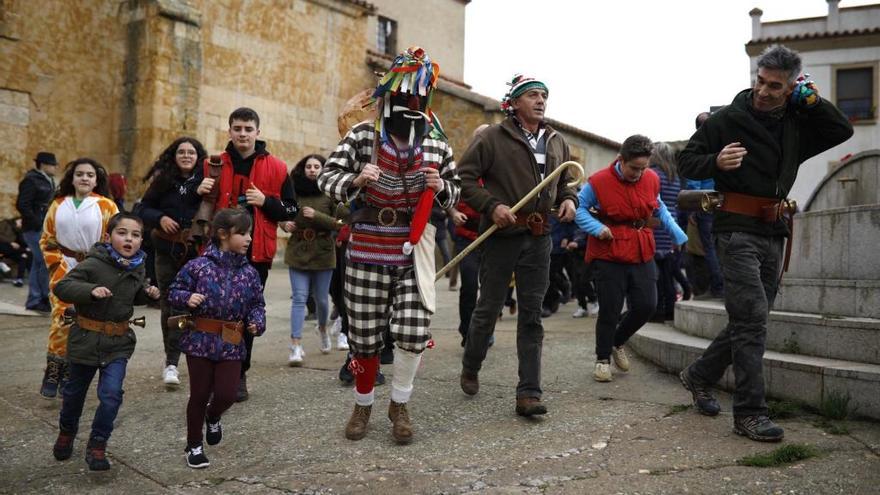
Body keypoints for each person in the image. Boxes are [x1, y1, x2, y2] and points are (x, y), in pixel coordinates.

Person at [677, 45, 853, 442]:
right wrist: (715, 162)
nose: (764, 91)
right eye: (760, 81)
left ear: (791, 88)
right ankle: (750, 413)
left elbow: (842, 130)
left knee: (749, 318)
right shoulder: (728, 119)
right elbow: (686, 160)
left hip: (773, 230)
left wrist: (814, 102)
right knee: (753, 317)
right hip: (734, 228)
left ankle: (700, 374)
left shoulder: (796, 121)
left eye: (775, 86)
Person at [318, 46, 460, 444]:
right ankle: (363, 404)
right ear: (389, 98)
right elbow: (326, 178)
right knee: (364, 334)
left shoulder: (437, 143)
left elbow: (456, 191)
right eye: (405, 98)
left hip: (415, 250)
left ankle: (400, 403)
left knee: (413, 331)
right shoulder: (362, 135)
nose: (413, 106)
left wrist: (443, 187)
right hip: (366, 248)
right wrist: (356, 179)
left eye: (420, 99)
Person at [457, 74, 578, 417]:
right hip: (501, 237)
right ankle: (471, 363)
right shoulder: (494, 138)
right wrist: (491, 205)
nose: (541, 100)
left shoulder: (557, 141)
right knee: (488, 309)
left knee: (531, 315)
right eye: (534, 95)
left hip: (540, 238)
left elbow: (566, 181)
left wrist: (569, 200)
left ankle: (529, 393)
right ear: (516, 102)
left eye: (544, 95)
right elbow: (464, 177)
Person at [194, 107, 298, 402]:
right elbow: (187, 198)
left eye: (248, 129)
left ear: (257, 132)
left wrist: (267, 202)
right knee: (213, 315)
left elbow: (292, 210)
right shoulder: (212, 164)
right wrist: (195, 189)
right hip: (216, 255)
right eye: (237, 128)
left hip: (256, 254)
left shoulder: (277, 167)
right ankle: (214, 372)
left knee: (244, 316)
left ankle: (238, 374)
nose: (242, 134)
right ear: (229, 131)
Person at [51, 213, 160, 471]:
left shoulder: (138, 266)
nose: (129, 239)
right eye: (122, 233)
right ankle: (67, 431)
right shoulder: (94, 263)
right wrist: (90, 291)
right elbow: (63, 287)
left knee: (111, 396)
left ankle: (97, 444)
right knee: (73, 395)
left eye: (135, 235)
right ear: (108, 237)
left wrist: (148, 293)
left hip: (117, 343)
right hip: (85, 340)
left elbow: (129, 299)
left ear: (141, 241)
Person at [575, 135, 688, 382]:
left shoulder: (652, 178)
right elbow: (579, 209)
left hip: (641, 247)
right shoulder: (598, 182)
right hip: (609, 251)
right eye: (634, 168)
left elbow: (659, 207)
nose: (638, 173)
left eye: (643, 168)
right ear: (621, 160)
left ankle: (617, 341)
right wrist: (596, 228)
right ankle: (602, 359)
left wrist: (677, 234)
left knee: (647, 305)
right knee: (610, 309)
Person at [168, 209, 266, 468]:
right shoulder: (197, 266)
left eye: (250, 234)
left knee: (227, 394)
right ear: (223, 234)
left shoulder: (250, 273)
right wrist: (186, 298)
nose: (248, 239)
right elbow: (174, 291)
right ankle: (194, 445)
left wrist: (257, 321)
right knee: (199, 394)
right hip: (200, 338)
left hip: (232, 341)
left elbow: (257, 304)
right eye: (243, 233)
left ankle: (213, 416)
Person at [39, 159, 119, 399]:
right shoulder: (57, 204)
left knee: (85, 320)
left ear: (97, 180)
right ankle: (54, 367)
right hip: (63, 266)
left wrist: (100, 266)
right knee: (62, 317)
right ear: (71, 178)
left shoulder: (106, 205)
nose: (85, 178)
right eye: (80, 174)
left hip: (94, 267)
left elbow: (113, 239)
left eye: (90, 175)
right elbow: (47, 239)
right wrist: (60, 267)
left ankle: (71, 372)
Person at [137, 137, 207, 388]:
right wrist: (160, 217)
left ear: (199, 157)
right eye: (182, 152)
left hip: (196, 253)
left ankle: (194, 357)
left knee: (194, 307)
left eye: (191, 152)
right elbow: (142, 208)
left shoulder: (206, 181)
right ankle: (171, 362)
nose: (187, 156)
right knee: (170, 305)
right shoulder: (163, 180)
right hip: (166, 251)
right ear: (174, 155)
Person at [282, 154, 340, 365]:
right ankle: (295, 345)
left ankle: (323, 328)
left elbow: (340, 222)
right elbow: (283, 213)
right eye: (309, 166)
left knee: (322, 300)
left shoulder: (330, 192)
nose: (312, 169)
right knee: (299, 298)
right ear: (302, 169)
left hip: (323, 252)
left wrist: (317, 216)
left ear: (324, 169)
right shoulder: (293, 190)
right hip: (297, 250)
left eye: (317, 166)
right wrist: (284, 224)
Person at [17, 151, 58, 312]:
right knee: (42, 260)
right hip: (34, 228)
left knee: (38, 261)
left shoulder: (49, 181)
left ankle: (38, 298)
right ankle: (37, 298)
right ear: (43, 165)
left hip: (44, 227)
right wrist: (37, 222)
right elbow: (22, 204)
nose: (56, 167)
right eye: (53, 164)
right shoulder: (31, 180)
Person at [650, 142, 683, 322]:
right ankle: (669, 310)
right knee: (667, 276)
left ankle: (657, 311)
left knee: (654, 277)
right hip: (671, 229)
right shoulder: (674, 177)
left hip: (655, 229)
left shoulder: (653, 175)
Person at [0, 217, 28, 287]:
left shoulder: (18, 230)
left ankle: (19, 279)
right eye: (20, 221)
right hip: (4, 246)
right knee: (22, 252)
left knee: (23, 257)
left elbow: (22, 242)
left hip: (12, 250)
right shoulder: (5, 223)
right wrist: (10, 242)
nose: (22, 223)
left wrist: (19, 230)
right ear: (16, 219)